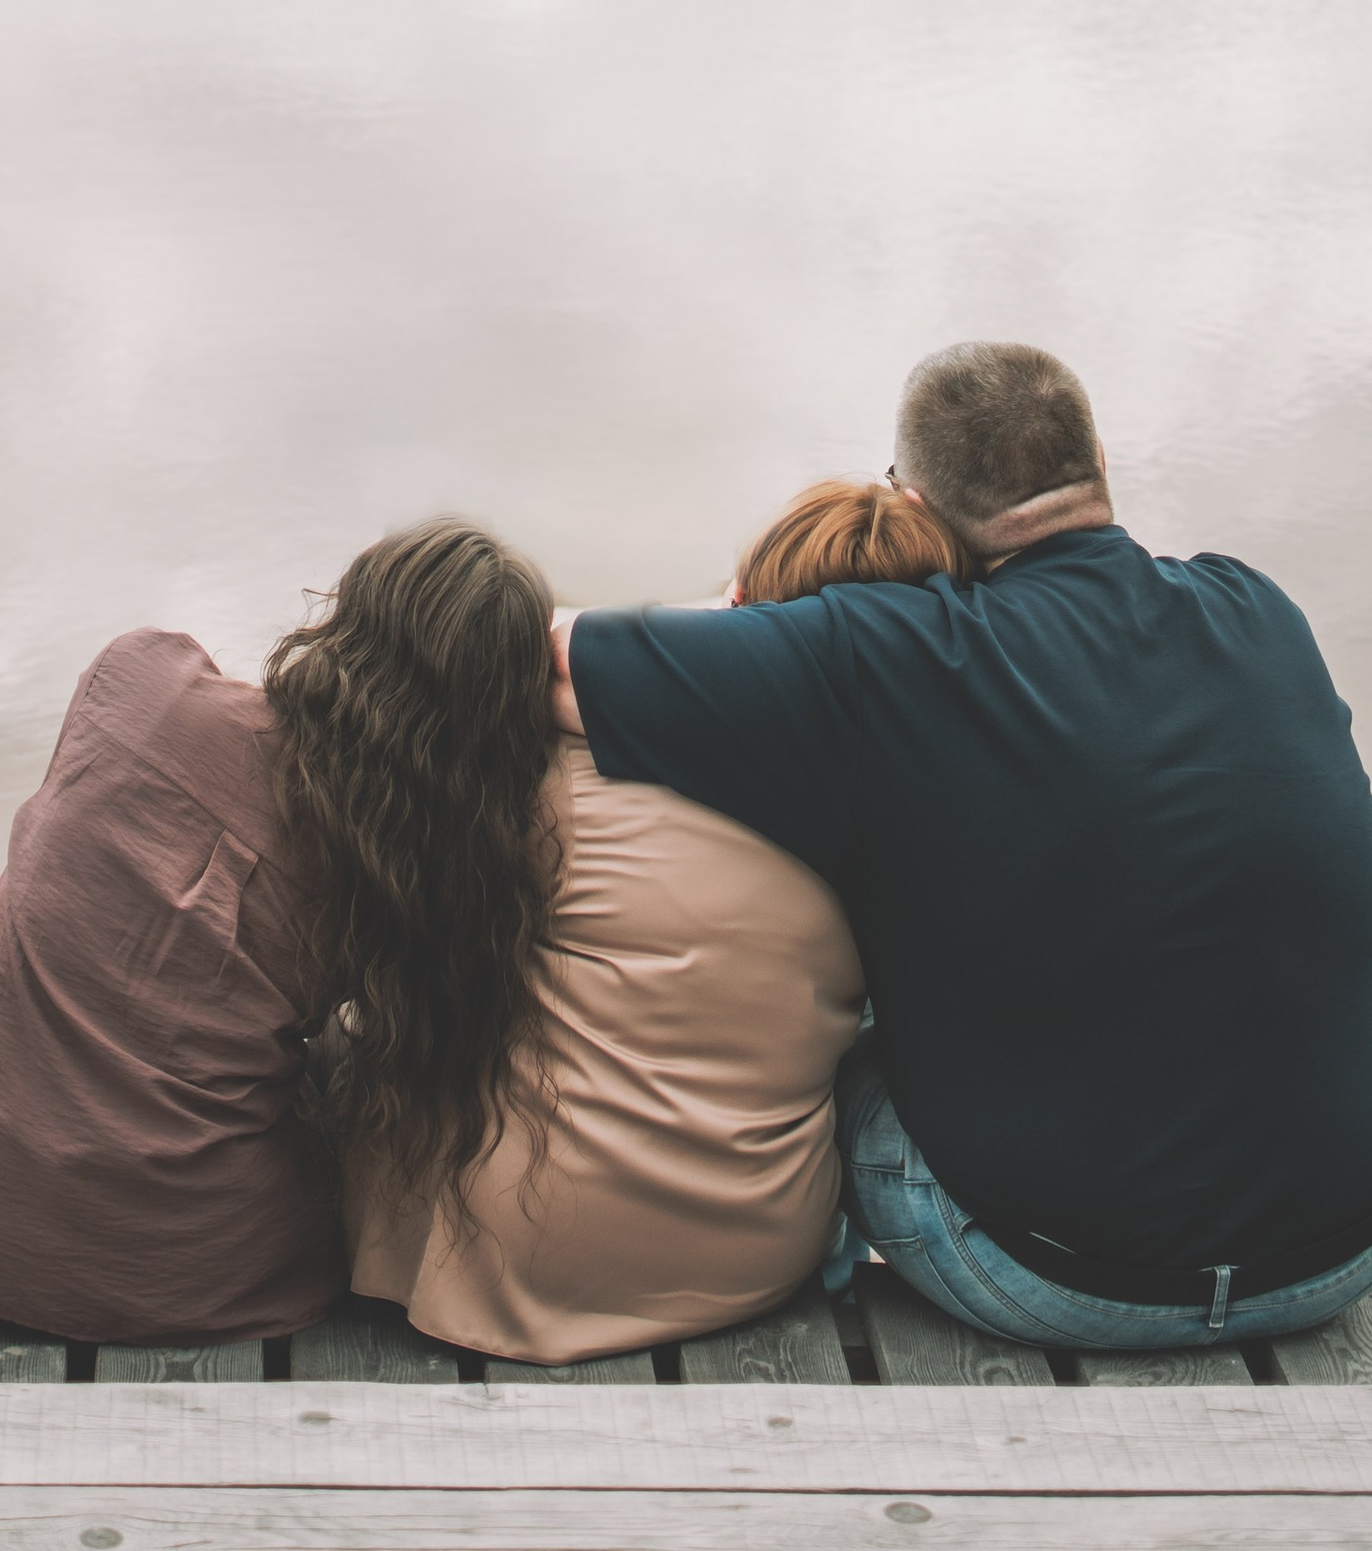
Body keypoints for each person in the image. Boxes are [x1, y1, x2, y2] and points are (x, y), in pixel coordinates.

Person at [560, 343, 1372, 1355]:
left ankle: (820, 1289)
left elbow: (540, 659)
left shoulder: (893, 653)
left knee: (831, 1022)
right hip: (1355, 1239)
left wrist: (738, 628)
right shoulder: (1257, 609)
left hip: (1052, 1277)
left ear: (913, 502)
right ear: (1098, 460)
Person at [0, 521, 558, 1346]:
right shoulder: (407, 867)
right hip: (185, 1278)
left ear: (349, 620)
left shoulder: (138, 678)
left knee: (39, 892)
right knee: (333, 1061)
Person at [351, 480, 956, 1362]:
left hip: (519, 1261)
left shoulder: (542, 759)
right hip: (757, 1258)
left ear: (747, 615)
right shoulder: (912, 807)